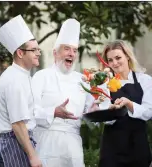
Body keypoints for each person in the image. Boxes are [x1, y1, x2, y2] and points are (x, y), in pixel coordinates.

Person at [31, 18, 94, 167]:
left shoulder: (83, 80)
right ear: (55, 52)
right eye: (67, 49)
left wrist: (97, 109)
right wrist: (53, 112)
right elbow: (29, 111)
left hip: (73, 146)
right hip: (46, 143)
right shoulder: (41, 76)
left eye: (74, 50)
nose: (71, 54)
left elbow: (91, 112)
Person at [0, 15, 42, 167]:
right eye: (33, 50)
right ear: (20, 53)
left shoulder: (20, 75)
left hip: (16, 144)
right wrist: (33, 156)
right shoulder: (14, 79)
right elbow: (18, 123)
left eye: (38, 49)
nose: (38, 53)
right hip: (13, 146)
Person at [98, 40, 152, 167]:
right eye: (110, 60)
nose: (114, 63)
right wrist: (111, 111)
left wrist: (129, 104)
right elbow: (103, 115)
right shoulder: (104, 83)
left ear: (128, 56)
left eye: (118, 58)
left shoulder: (144, 80)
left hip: (138, 146)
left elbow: (149, 112)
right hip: (111, 149)